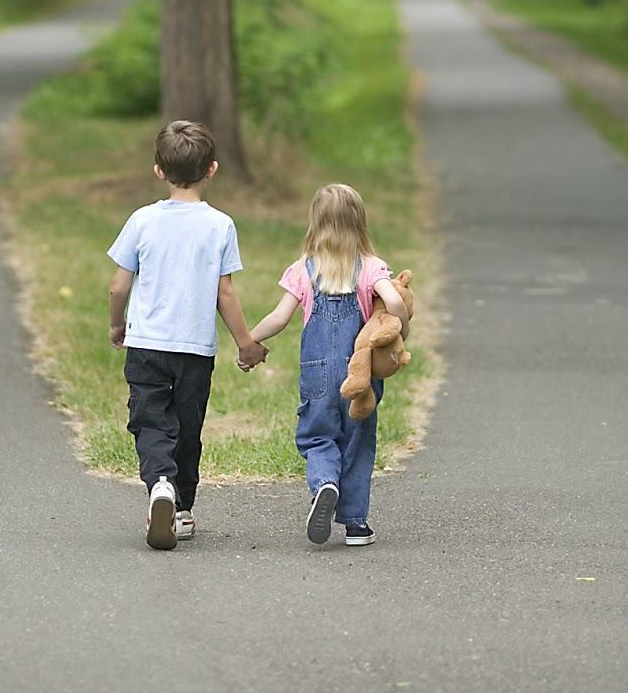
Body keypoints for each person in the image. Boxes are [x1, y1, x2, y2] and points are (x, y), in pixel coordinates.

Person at [107, 120, 268, 551]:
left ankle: (160, 484)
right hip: (195, 349)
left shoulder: (142, 220)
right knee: (188, 426)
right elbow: (225, 293)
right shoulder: (220, 225)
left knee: (151, 421)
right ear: (212, 169)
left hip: (147, 346)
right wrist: (246, 343)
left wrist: (116, 324)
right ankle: (181, 508)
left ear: (158, 170)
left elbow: (118, 286)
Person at [249, 183, 409, 546]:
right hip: (361, 374)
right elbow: (394, 303)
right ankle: (355, 525)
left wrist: (251, 341)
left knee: (318, 435)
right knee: (358, 440)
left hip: (318, 372)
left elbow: (279, 317)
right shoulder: (370, 268)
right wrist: (401, 326)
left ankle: (325, 483)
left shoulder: (303, 270)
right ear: (360, 224)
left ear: (315, 225)